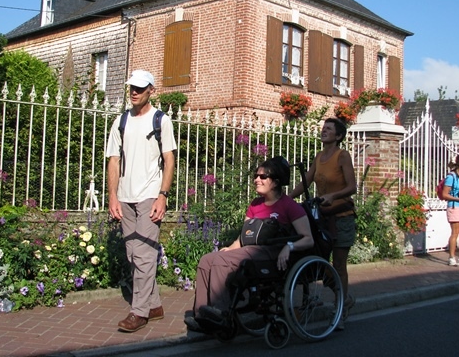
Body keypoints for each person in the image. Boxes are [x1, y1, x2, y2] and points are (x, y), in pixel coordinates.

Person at [186, 156, 314, 331]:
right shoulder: (255, 204)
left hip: (271, 253)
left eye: (262, 177)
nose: (256, 180)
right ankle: (202, 315)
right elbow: (244, 236)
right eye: (256, 175)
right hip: (250, 250)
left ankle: (221, 314)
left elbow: (307, 238)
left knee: (221, 262)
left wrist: (289, 246)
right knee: (207, 260)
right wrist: (230, 248)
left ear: (275, 182)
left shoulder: (289, 206)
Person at [106, 70, 177, 332]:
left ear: (151, 90)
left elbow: (169, 159)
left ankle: (139, 312)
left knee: (145, 254)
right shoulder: (120, 121)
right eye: (131, 88)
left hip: (150, 195)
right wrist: (113, 196)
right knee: (132, 254)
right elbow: (113, 159)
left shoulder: (161, 120)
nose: (134, 92)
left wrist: (163, 195)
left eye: (139, 88)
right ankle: (154, 305)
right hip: (125, 197)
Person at [288, 117, 357, 328]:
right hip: (322, 218)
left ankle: (341, 308)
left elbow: (352, 187)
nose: (324, 131)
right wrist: (286, 199)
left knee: (339, 264)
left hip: (342, 217)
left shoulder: (342, 156)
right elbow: (307, 181)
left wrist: (333, 196)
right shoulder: (318, 157)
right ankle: (342, 296)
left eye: (329, 129)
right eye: (323, 128)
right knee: (319, 260)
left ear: (338, 136)